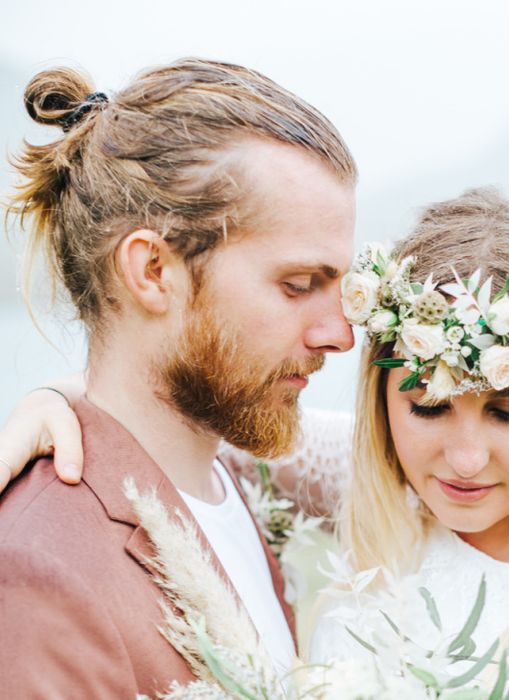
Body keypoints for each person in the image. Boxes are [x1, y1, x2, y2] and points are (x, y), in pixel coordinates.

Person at [0, 189, 509, 693]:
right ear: (382, 401)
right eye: (427, 406)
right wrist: (59, 400)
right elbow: (180, 416)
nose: (465, 459)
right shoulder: (375, 488)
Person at [0, 58, 356, 696]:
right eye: (298, 285)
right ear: (153, 272)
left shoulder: (235, 478)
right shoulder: (38, 572)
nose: (340, 333)